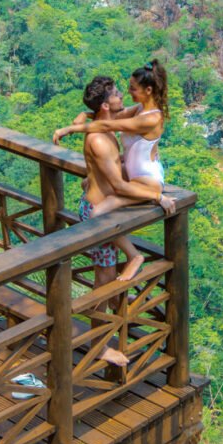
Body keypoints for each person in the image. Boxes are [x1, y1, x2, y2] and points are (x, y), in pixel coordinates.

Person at [58, 74, 172, 365]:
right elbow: (119, 187)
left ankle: (120, 311)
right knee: (104, 285)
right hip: (97, 216)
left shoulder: (103, 124)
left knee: (108, 283)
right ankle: (100, 346)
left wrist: (74, 124)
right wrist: (156, 197)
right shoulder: (100, 141)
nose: (123, 96)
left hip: (102, 211)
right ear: (106, 105)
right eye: (118, 94)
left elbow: (94, 116)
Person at [54, 60, 175, 282]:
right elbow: (107, 117)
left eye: (132, 88)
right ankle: (120, 298)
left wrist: (70, 128)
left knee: (97, 214)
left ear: (148, 90)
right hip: (136, 172)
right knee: (105, 272)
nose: (127, 93)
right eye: (124, 89)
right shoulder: (139, 110)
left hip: (147, 180)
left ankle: (134, 257)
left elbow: (108, 124)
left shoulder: (150, 118)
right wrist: (85, 113)